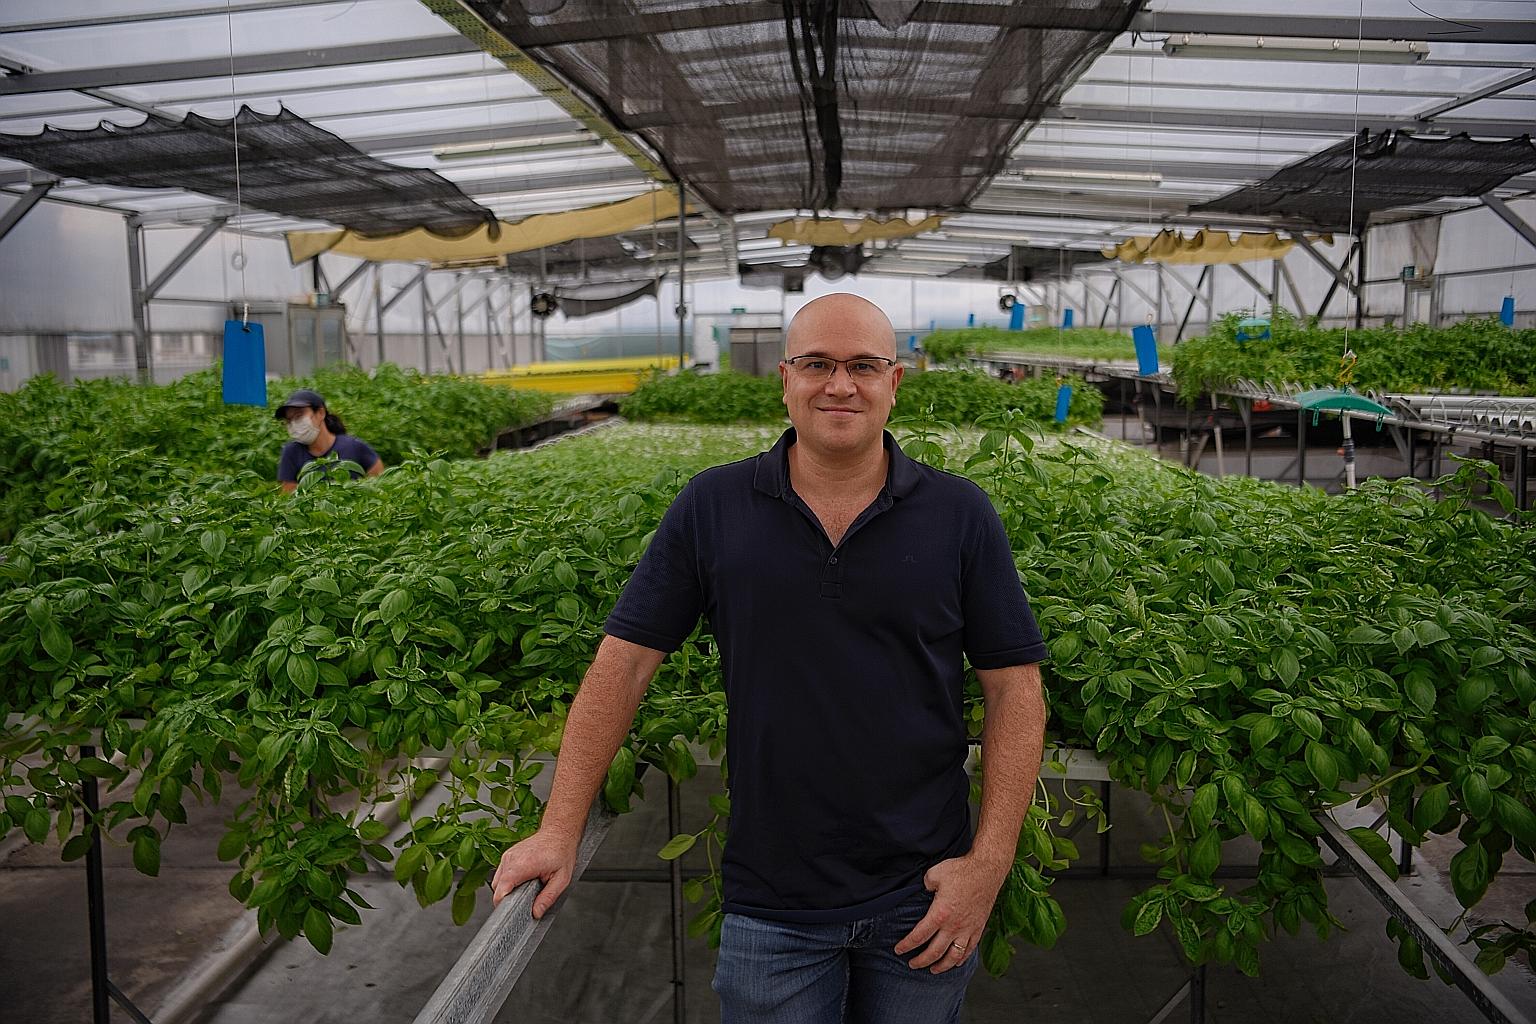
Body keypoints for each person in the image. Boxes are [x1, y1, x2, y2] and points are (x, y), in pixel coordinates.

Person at [491, 293, 1047, 1024]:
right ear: (785, 379)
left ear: (895, 382)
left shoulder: (959, 513)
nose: (839, 385)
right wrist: (558, 829)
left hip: (925, 892)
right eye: (817, 364)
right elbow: (622, 664)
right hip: (773, 903)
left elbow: (1016, 691)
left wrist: (988, 864)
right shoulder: (714, 505)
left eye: (862, 366)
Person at [273, 388, 383, 494]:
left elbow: (379, 482)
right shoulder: (291, 452)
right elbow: (288, 497)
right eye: (289, 420)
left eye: (299, 415)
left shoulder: (353, 446)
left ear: (320, 413)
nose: (294, 424)